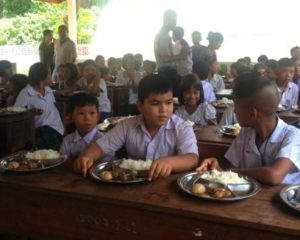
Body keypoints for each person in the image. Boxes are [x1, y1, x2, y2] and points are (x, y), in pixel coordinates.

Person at [73, 74, 199, 179]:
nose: (164, 110)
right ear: (140, 106)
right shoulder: (127, 126)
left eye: (168, 103)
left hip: (167, 186)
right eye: (155, 104)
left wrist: (169, 162)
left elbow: (191, 158)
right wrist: (87, 156)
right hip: (132, 186)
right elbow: (99, 147)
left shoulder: (182, 128)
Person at [197, 73, 300, 185]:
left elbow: (273, 175)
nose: (235, 111)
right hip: (252, 198)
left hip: (284, 200)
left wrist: (231, 172)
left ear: (252, 113)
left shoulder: (293, 136)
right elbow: (231, 164)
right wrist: (217, 164)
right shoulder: (247, 132)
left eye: (236, 106)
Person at [14, 62, 64, 150]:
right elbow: (16, 113)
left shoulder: (48, 90)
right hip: (35, 129)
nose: (51, 75)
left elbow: (53, 108)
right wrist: (30, 112)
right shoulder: (26, 93)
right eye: (49, 73)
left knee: (39, 143)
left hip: (54, 127)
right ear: (42, 76)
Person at [60, 92, 113, 161]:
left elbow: (107, 165)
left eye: (92, 113)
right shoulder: (67, 141)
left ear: (98, 116)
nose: (87, 118)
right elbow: (62, 163)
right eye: (81, 113)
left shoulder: (104, 140)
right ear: (71, 117)